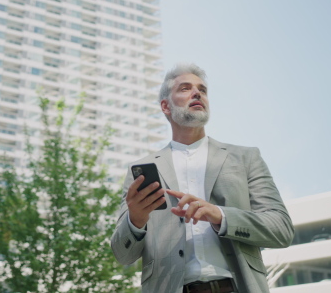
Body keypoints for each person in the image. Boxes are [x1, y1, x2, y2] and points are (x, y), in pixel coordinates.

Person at [111, 64, 294, 293]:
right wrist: (135, 220)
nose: (197, 93)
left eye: (202, 90)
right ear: (165, 106)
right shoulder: (140, 171)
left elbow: (281, 229)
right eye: (185, 88)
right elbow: (122, 254)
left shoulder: (246, 158)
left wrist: (220, 215)